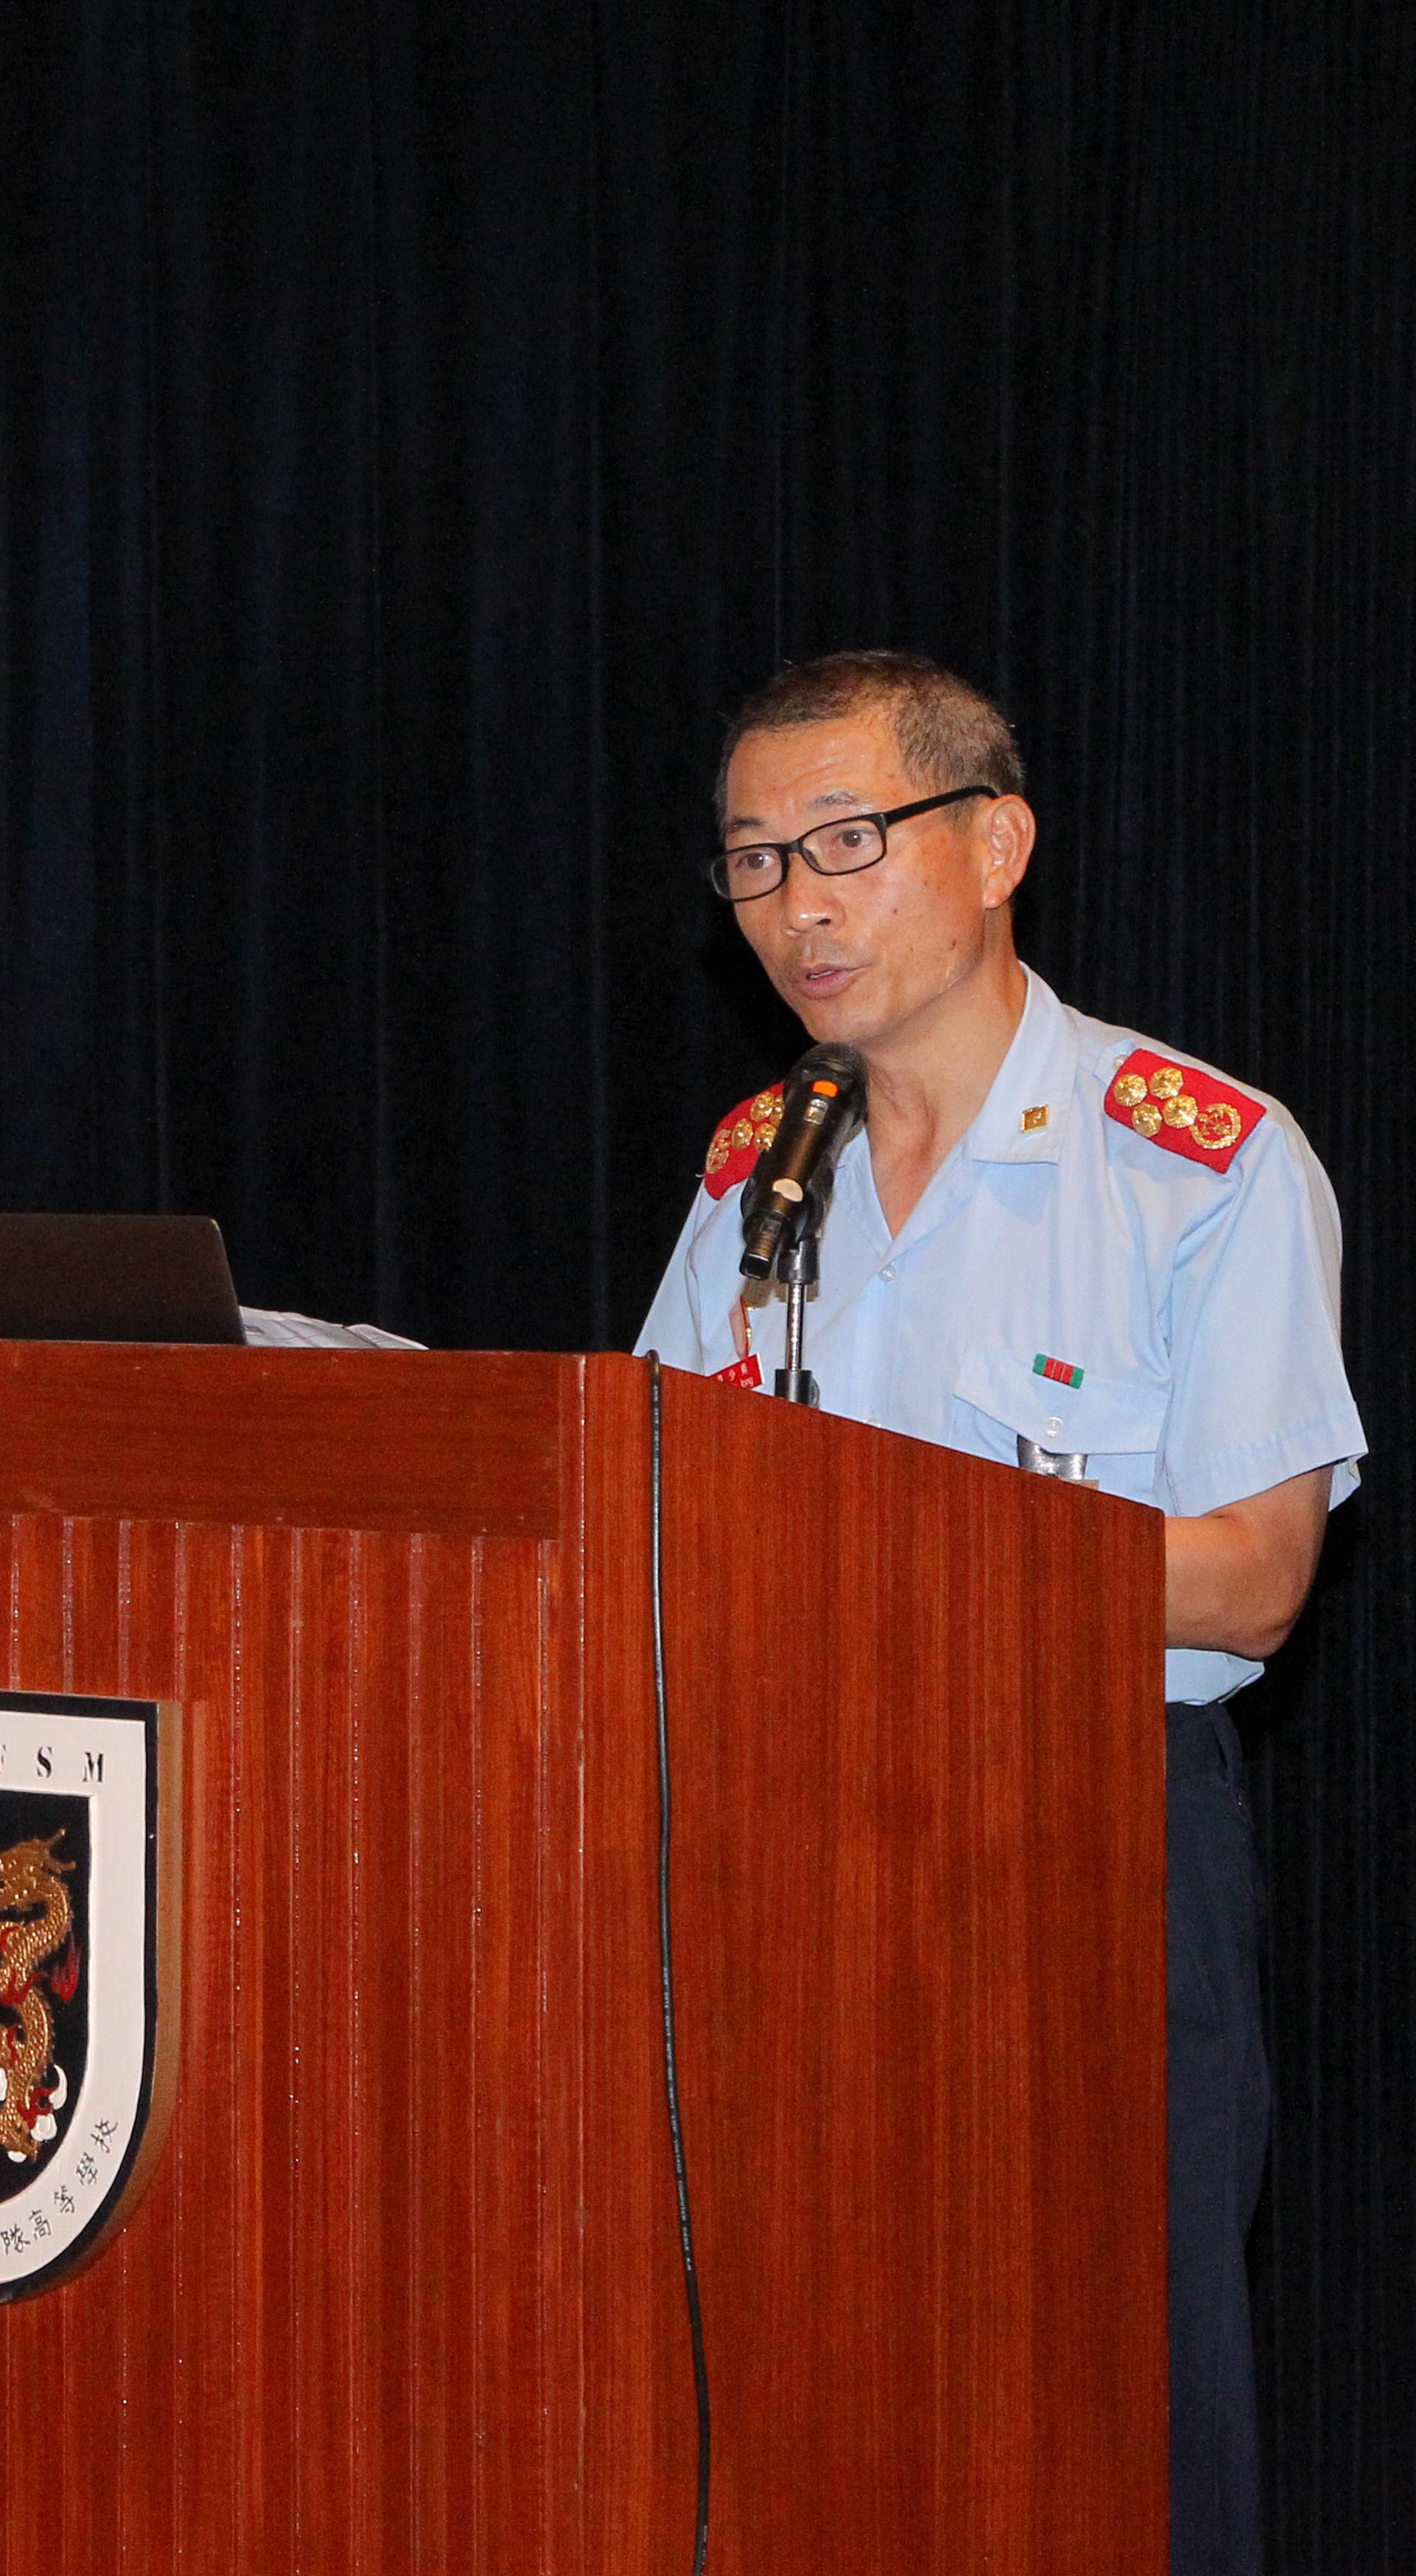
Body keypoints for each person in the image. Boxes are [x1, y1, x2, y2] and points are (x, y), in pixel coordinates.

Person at [633, 651, 1362, 2576]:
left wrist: (915, 1554)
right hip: (785, 1847)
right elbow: (655, 1499)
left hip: (1087, 1837)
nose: (797, 907)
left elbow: (1257, 1578)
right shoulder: (760, 1178)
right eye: (754, 860)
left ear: (998, 843)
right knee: (811, 2411)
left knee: (1113, 2424)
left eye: (846, 843)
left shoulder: (1195, 1162)